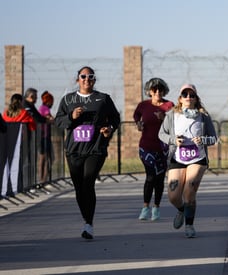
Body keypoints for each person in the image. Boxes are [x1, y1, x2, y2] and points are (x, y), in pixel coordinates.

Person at [55, 66, 120, 240]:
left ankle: (89, 224)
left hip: (95, 149)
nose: (86, 79)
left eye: (90, 76)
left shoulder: (103, 99)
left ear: (94, 80)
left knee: (88, 182)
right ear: (78, 79)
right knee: (79, 187)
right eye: (83, 76)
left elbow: (115, 119)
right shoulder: (68, 100)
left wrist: (109, 129)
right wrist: (72, 117)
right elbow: (58, 121)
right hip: (74, 150)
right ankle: (86, 219)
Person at [158, 84, 218, 238]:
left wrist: (203, 139)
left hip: (198, 158)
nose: (188, 97)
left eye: (192, 95)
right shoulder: (172, 114)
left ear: (196, 98)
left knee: (189, 190)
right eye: (185, 94)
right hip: (177, 157)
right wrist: (173, 140)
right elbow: (161, 134)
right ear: (180, 98)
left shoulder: (203, 115)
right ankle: (181, 210)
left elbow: (213, 138)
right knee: (173, 196)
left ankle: (189, 225)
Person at [133, 78, 174, 221]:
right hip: (146, 147)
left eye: (160, 90)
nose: (157, 92)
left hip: (163, 148)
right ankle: (145, 207)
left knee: (159, 178)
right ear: (149, 92)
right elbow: (136, 115)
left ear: (164, 91)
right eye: (154, 90)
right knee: (150, 176)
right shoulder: (143, 105)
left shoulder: (169, 106)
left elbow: (174, 124)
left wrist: (164, 118)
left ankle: (156, 207)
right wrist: (138, 123)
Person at [38, 91, 55, 183]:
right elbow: (51, 119)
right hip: (44, 136)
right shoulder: (45, 108)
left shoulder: (42, 108)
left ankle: (43, 179)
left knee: (45, 159)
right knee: (46, 159)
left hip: (44, 136)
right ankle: (43, 180)